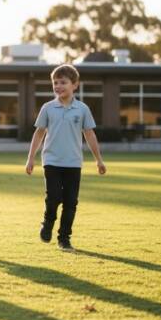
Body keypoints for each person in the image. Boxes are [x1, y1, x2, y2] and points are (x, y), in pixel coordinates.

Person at [26, 64, 106, 251]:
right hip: (52, 161)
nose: (58, 86)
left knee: (71, 202)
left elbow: (90, 135)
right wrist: (31, 158)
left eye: (63, 82)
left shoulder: (82, 109)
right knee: (53, 197)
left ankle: (64, 238)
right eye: (55, 83)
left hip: (73, 163)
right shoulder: (48, 108)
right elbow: (39, 134)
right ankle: (47, 222)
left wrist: (99, 160)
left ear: (75, 85)